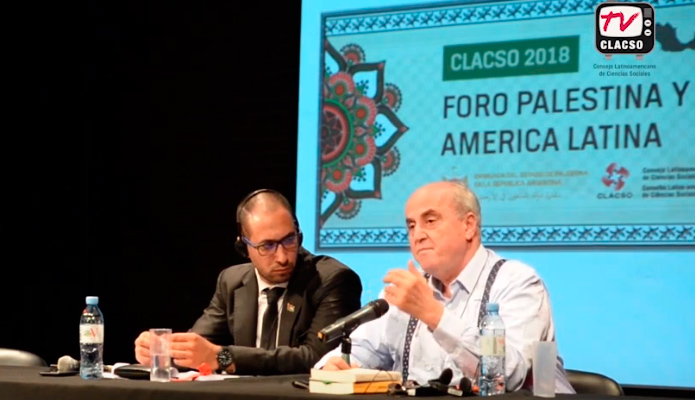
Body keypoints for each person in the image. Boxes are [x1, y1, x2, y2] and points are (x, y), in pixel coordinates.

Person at [315, 180, 575, 393]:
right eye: (411, 225)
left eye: (430, 221)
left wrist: (434, 315)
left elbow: (508, 375)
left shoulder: (517, 282)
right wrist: (334, 366)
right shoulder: (407, 290)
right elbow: (363, 348)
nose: (417, 235)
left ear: (468, 225)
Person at [134, 189, 363, 375]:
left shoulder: (333, 280)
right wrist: (162, 351)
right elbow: (199, 347)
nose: (282, 257)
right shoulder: (231, 282)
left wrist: (222, 357)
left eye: (289, 240)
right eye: (267, 246)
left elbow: (317, 358)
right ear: (243, 247)